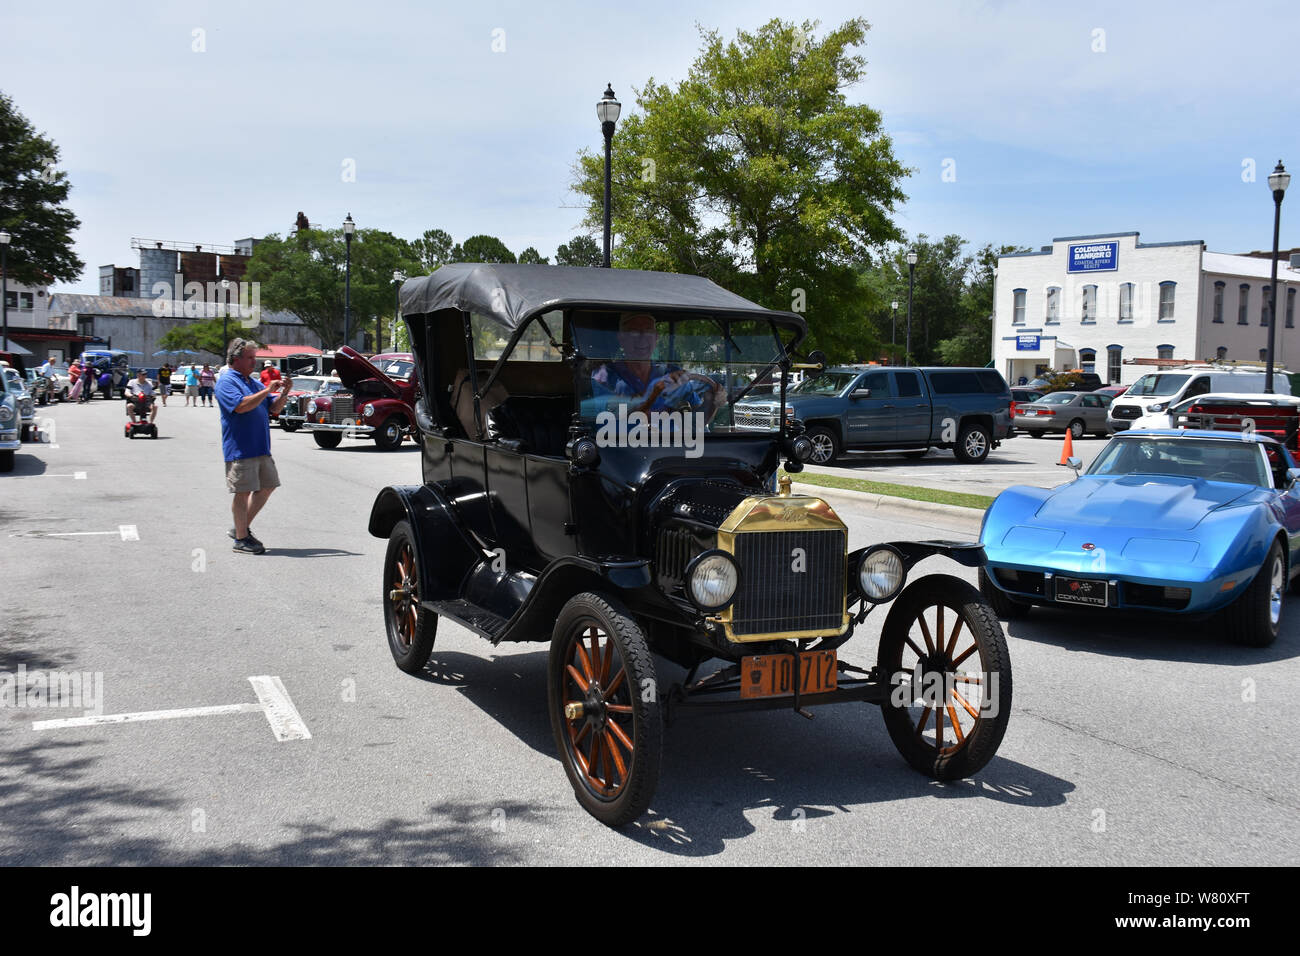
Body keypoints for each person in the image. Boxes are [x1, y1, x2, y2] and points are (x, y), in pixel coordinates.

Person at [217, 338, 293, 554]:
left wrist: (284, 393)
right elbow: (241, 406)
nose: (254, 362)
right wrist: (266, 390)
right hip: (240, 448)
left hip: (261, 447)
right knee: (243, 492)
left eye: (255, 358)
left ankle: (239, 528)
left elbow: (274, 409)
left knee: (267, 486)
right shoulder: (227, 381)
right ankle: (241, 539)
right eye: (250, 358)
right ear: (236, 359)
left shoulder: (253, 382)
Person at [589, 312, 725, 418]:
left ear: (656, 337)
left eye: (648, 331)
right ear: (621, 338)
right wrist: (654, 392)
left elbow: (698, 423)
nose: (642, 338)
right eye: (634, 332)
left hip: (672, 449)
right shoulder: (605, 375)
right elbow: (610, 423)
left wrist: (713, 402)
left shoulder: (672, 372)